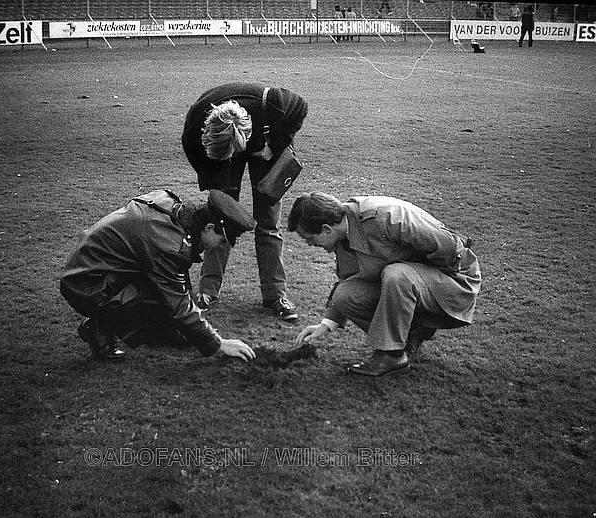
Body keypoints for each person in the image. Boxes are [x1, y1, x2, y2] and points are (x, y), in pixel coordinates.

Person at [288, 192, 481, 377]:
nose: (309, 245)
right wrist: (326, 324)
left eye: (310, 239)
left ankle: (391, 356)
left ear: (326, 229)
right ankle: (409, 335)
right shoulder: (343, 234)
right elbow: (350, 279)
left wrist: (420, 281)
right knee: (344, 294)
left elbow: (448, 246)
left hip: (454, 279)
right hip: (411, 283)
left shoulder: (386, 217)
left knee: (397, 275)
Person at [60, 189, 257, 363]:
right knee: (162, 302)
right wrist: (218, 343)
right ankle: (99, 325)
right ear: (209, 228)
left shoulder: (171, 206)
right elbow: (178, 304)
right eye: (222, 241)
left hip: (93, 270)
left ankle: (148, 326)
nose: (219, 247)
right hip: (86, 285)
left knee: (168, 304)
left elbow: (177, 277)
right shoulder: (169, 243)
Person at [182, 83, 308, 321]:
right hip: (218, 152)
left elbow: (300, 108)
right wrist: (215, 186)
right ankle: (207, 291)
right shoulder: (196, 122)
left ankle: (275, 295)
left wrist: (274, 146)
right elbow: (193, 150)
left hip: (264, 145)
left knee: (268, 221)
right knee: (219, 219)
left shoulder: (273, 102)